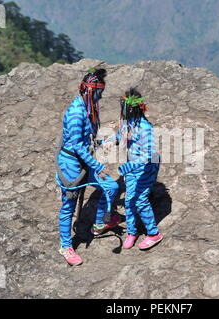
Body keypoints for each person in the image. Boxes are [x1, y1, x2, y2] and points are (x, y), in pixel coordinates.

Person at [56, 68, 120, 266]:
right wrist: (96, 164)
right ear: (91, 91)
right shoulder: (76, 112)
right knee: (69, 206)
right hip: (71, 166)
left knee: (111, 187)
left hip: (84, 160)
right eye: (99, 94)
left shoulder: (87, 108)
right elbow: (76, 145)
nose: (100, 98)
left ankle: (100, 222)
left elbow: (86, 141)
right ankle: (66, 246)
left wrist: (110, 141)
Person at [104, 88, 163, 250]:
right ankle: (132, 232)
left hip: (146, 168)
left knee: (140, 200)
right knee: (130, 200)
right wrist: (109, 140)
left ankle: (153, 233)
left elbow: (149, 154)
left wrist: (130, 165)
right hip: (131, 167)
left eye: (123, 107)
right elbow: (118, 135)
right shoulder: (127, 122)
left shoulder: (145, 128)